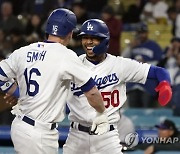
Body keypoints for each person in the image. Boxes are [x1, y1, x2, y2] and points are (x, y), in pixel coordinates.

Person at [0, 8, 109, 154]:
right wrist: (101, 113)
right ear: (69, 33)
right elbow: (92, 93)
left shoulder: (24, 51)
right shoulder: (66, 56)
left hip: (20, 126)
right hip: (39, 133)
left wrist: (20, 94)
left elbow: (1, 75)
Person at [62, 19, 172, 154]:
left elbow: (159, 72)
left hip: (107, 136)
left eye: (94, 38)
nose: (88, 42)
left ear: (105, 40)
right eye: (85, 37)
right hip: (76, 135)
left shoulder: (120, 65)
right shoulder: (73, 64)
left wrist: (165, 84)